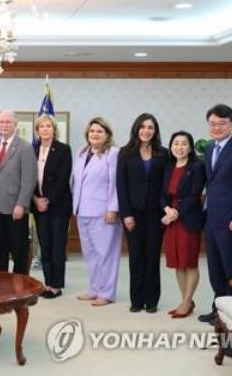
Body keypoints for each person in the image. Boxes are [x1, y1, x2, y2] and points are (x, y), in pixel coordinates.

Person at [198, 104, 232, 324]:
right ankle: (219, 309)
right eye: (213, 124)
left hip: (231, 220)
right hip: (211, 218)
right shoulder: (211, 148)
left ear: (231, 123)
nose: (217, 127)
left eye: (222, 123)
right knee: (215, 268)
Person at [116, 113, 169, 313]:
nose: (146, 130)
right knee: (136, 256)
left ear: (155, 131)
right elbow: (121, 185)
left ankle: (152, 300)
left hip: (156, 213)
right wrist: (126, 214)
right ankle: (137, 300)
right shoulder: (125, 153)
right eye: (143, 127)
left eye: (150, 127)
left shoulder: (163, 154)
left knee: (152, 256)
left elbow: (166, 184)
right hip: (133, 213)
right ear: (136, 129)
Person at [72, 117, 122, 306]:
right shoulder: (82, 152)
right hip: (82, 209)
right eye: (92, 131)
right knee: (90, 254)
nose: (95, 134)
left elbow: (116, 183)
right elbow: (76, 181)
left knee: (106, 254)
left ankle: (107, 293)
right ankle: (94, 289)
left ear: (107, 134)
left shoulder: (113, 153)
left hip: (104, 211)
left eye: (100, 131)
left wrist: (113, 208)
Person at [160, 131, 206, 318]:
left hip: (188, 219)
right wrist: (166, 209)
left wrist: (175, 213)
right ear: (171, 147)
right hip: (171, 218)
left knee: (190, 262)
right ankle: (185, 300)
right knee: (178, 263)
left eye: (184, 143)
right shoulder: (169, 166)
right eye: (176, 143)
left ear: (190, 147)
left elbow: (194, 195)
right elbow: (161, 192)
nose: (179, 147)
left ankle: (187, 302)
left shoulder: (197, 166)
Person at [0, 110, 37, 274]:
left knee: (18, 248)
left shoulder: (25, 148)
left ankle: (20, 283)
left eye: (8, 122)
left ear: (16, 125)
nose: (4, 125)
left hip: (15, 207)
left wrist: (21, 204)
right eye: (1, 122)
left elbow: (29, 180)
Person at [32, 115, 72, 299]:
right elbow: (28, 177)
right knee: (45, 245)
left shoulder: (64, 150)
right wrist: (35, 199)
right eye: (42, 126)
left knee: (57, 246)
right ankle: (48, 282)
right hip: (37, 205)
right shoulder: (32, 149)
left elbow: (63, 179)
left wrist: (46, 200)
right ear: (37, 130)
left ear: (54, 129)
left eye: (49, 126)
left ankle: (56, 285)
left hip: (58, 206)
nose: (45, 129)